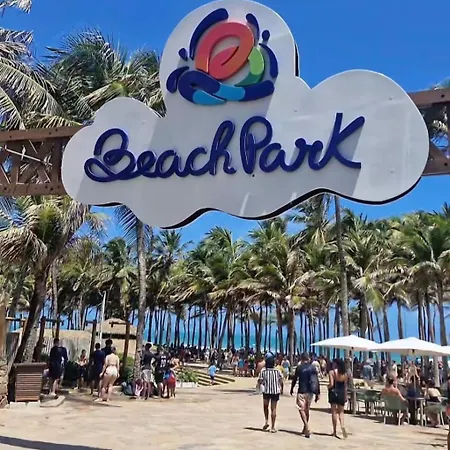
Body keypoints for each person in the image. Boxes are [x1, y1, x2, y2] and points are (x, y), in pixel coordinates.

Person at [290, 353, 320, 438]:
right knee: (307, 410)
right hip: (310, 392)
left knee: (301, 409)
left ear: (301, 359)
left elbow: (295, 379)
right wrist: (318, 393)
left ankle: (306, 427)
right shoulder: (313, 368)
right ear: (308, 359)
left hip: (302, 391)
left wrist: (292, 388)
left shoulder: (299, 368)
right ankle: (305, 428)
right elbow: (316, 381)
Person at [258, 354, 284, 433]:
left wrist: (260, 384)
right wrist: (281, 389)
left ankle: (266, 421)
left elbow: (260, 380)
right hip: (275, 391)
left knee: (265, 406)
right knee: (274, 409)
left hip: (266, 391)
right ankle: (273, 427)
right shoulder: (277, 371)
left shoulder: (263, 371)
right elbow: (281, 380)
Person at [328, 358, 349, 439]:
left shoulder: (332, 372)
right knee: (341, 412)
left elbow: (331, 384)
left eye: (333, 363)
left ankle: (334, 431)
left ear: (336, 364)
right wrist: (345, 396)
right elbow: (345, 387)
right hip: (341, 393)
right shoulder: (345, 374)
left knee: (334, 412)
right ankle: (342, 426)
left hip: (334, 393)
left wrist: (328, 387)